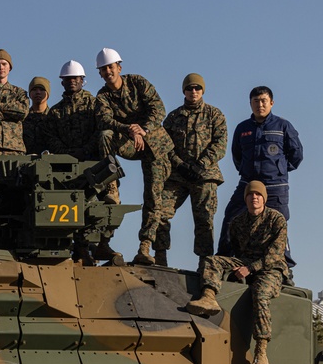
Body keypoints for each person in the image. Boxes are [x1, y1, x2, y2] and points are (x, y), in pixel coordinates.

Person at [186, 181, 286, 364]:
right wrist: (238, 268)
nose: (254, 198)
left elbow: (276, 254)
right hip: (245, 262)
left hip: (271, 268)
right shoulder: (238, 222)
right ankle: (208, 296)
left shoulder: (276, 219)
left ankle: (261, 352)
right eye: (250, 195)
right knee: (212, 261)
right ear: (246, 199)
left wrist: (250, 268)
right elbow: (236, 252)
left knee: (260, 294)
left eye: (258, 195)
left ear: (264, 199)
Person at [94, 47, 173, 266]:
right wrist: (129, 129)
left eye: (111, 67)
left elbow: (158, 108)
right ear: (100, 73)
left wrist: (142, 129)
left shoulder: (137, 82)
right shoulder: (103, 96)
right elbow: (104, 121)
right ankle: (112, 187)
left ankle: (145, 247)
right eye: (103, 69)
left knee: (153, 197)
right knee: (105, 135)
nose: (108, 71)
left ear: (119, 67)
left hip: (154, 145)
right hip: (129, 141)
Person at [216, 86, 302, 270]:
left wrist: (279, 170)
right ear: (250, 104)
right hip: (248, 184)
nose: (260, 104)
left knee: (279, 224)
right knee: (231, 216)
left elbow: (296, 155)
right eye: (256, 101)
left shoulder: (283, 126)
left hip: (275, 185)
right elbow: (237, 156)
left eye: (263, 101)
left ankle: (284, 267)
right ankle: (223, 258)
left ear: (271, 102)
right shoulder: (243, 128)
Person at [43, 60, 117, 264]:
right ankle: (81, 248)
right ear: (62, 82)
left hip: (94, 164)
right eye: (68, 79)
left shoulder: (95, 104)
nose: (72, 82)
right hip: (66, 167)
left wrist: (85, 151)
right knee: (73, 208)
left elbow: (101, 127)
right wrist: (67, 153)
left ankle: (103, 244)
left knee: (105, 206)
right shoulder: (56, 111)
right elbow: (50, 137)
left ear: (83, 80)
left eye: (75, 78)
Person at [158, 73, 227, 266]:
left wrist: (201, 164)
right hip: (177, 175)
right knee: (160, 213)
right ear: (184, 91)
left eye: (197, 88)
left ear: (202, 90)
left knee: (204, 220)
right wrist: (179, 164)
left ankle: (205, 264)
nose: (193, 92)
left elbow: (220, 144)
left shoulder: (215, 115)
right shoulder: (173, 117)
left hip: (205, 175)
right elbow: (164, 145)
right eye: (189, 88)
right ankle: (160, 257)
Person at [23, 76, 51, 155]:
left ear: (47, 93)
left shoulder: (54, 116)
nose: (38, 92)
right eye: (34, 89)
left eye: (42, 89)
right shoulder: (23, 117)